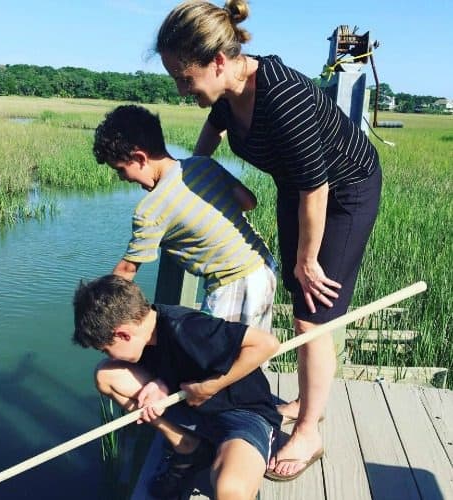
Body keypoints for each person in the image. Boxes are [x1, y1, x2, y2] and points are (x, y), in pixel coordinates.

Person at [155, 0, 382, 480]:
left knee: (311, 315)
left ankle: (309, 431)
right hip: (297, 188)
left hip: (344, 193)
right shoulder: (224, 93)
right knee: (301, 302)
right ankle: (306, 400)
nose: (181, 88)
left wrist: (308, 259)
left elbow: (317, 187)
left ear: (218, 61)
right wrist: (191, 176)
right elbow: (212, 137)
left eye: (184, 77)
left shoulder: (284, 98)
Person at [73, 274, 283, 498]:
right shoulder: (145, 335)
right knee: (107, 375)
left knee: (229, 490)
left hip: (242, 413)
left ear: (123, 334)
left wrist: (209, 387)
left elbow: (267, 344)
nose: (109, 356)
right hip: (194, 408)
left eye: (106, 349)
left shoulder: (190, 328)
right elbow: (175, 362)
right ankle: (187, 446)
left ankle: (237, 448)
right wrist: (159, 383)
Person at [93, 104, 277, 330]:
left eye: (120, 169)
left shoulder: (150, 210)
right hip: (263, 266)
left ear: (140, 158)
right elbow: (249, 202)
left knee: (216, 357)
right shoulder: (203, 164)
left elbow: (126, 271)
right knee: (252, 348)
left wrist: (98, 312)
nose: (122, 178)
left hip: (233, 282)